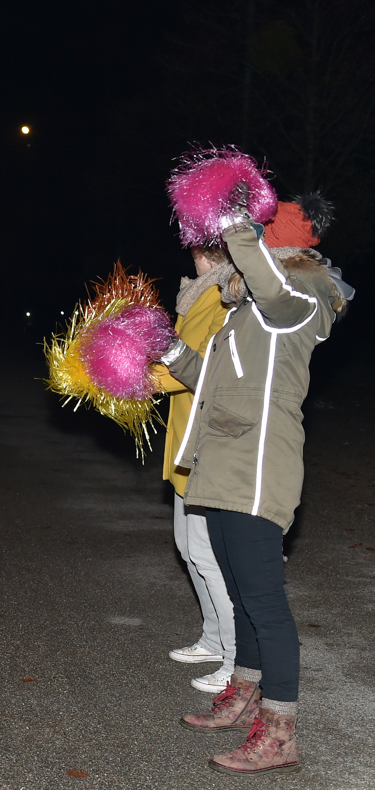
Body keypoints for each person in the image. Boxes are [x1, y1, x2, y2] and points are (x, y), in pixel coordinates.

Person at [162, 192, 353, 775]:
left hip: (259, 464)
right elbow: (212, 381)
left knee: (265, 602)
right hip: (220, 462)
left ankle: (280, 731)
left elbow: (271, 285)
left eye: (254, 234)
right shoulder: (244, 311)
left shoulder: (304, 294)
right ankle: (244, 693)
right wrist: (164, 348)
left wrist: (235, 220)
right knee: (241, 592)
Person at [155, 245, 237, 693]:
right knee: (189, 551)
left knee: (209, 557)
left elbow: (198, 366)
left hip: (207, 445)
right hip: (186, 441)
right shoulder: (197, 293)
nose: (190, 249)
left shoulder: (225, 294)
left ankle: (235, 656)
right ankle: (212, 637)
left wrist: (132, 376)